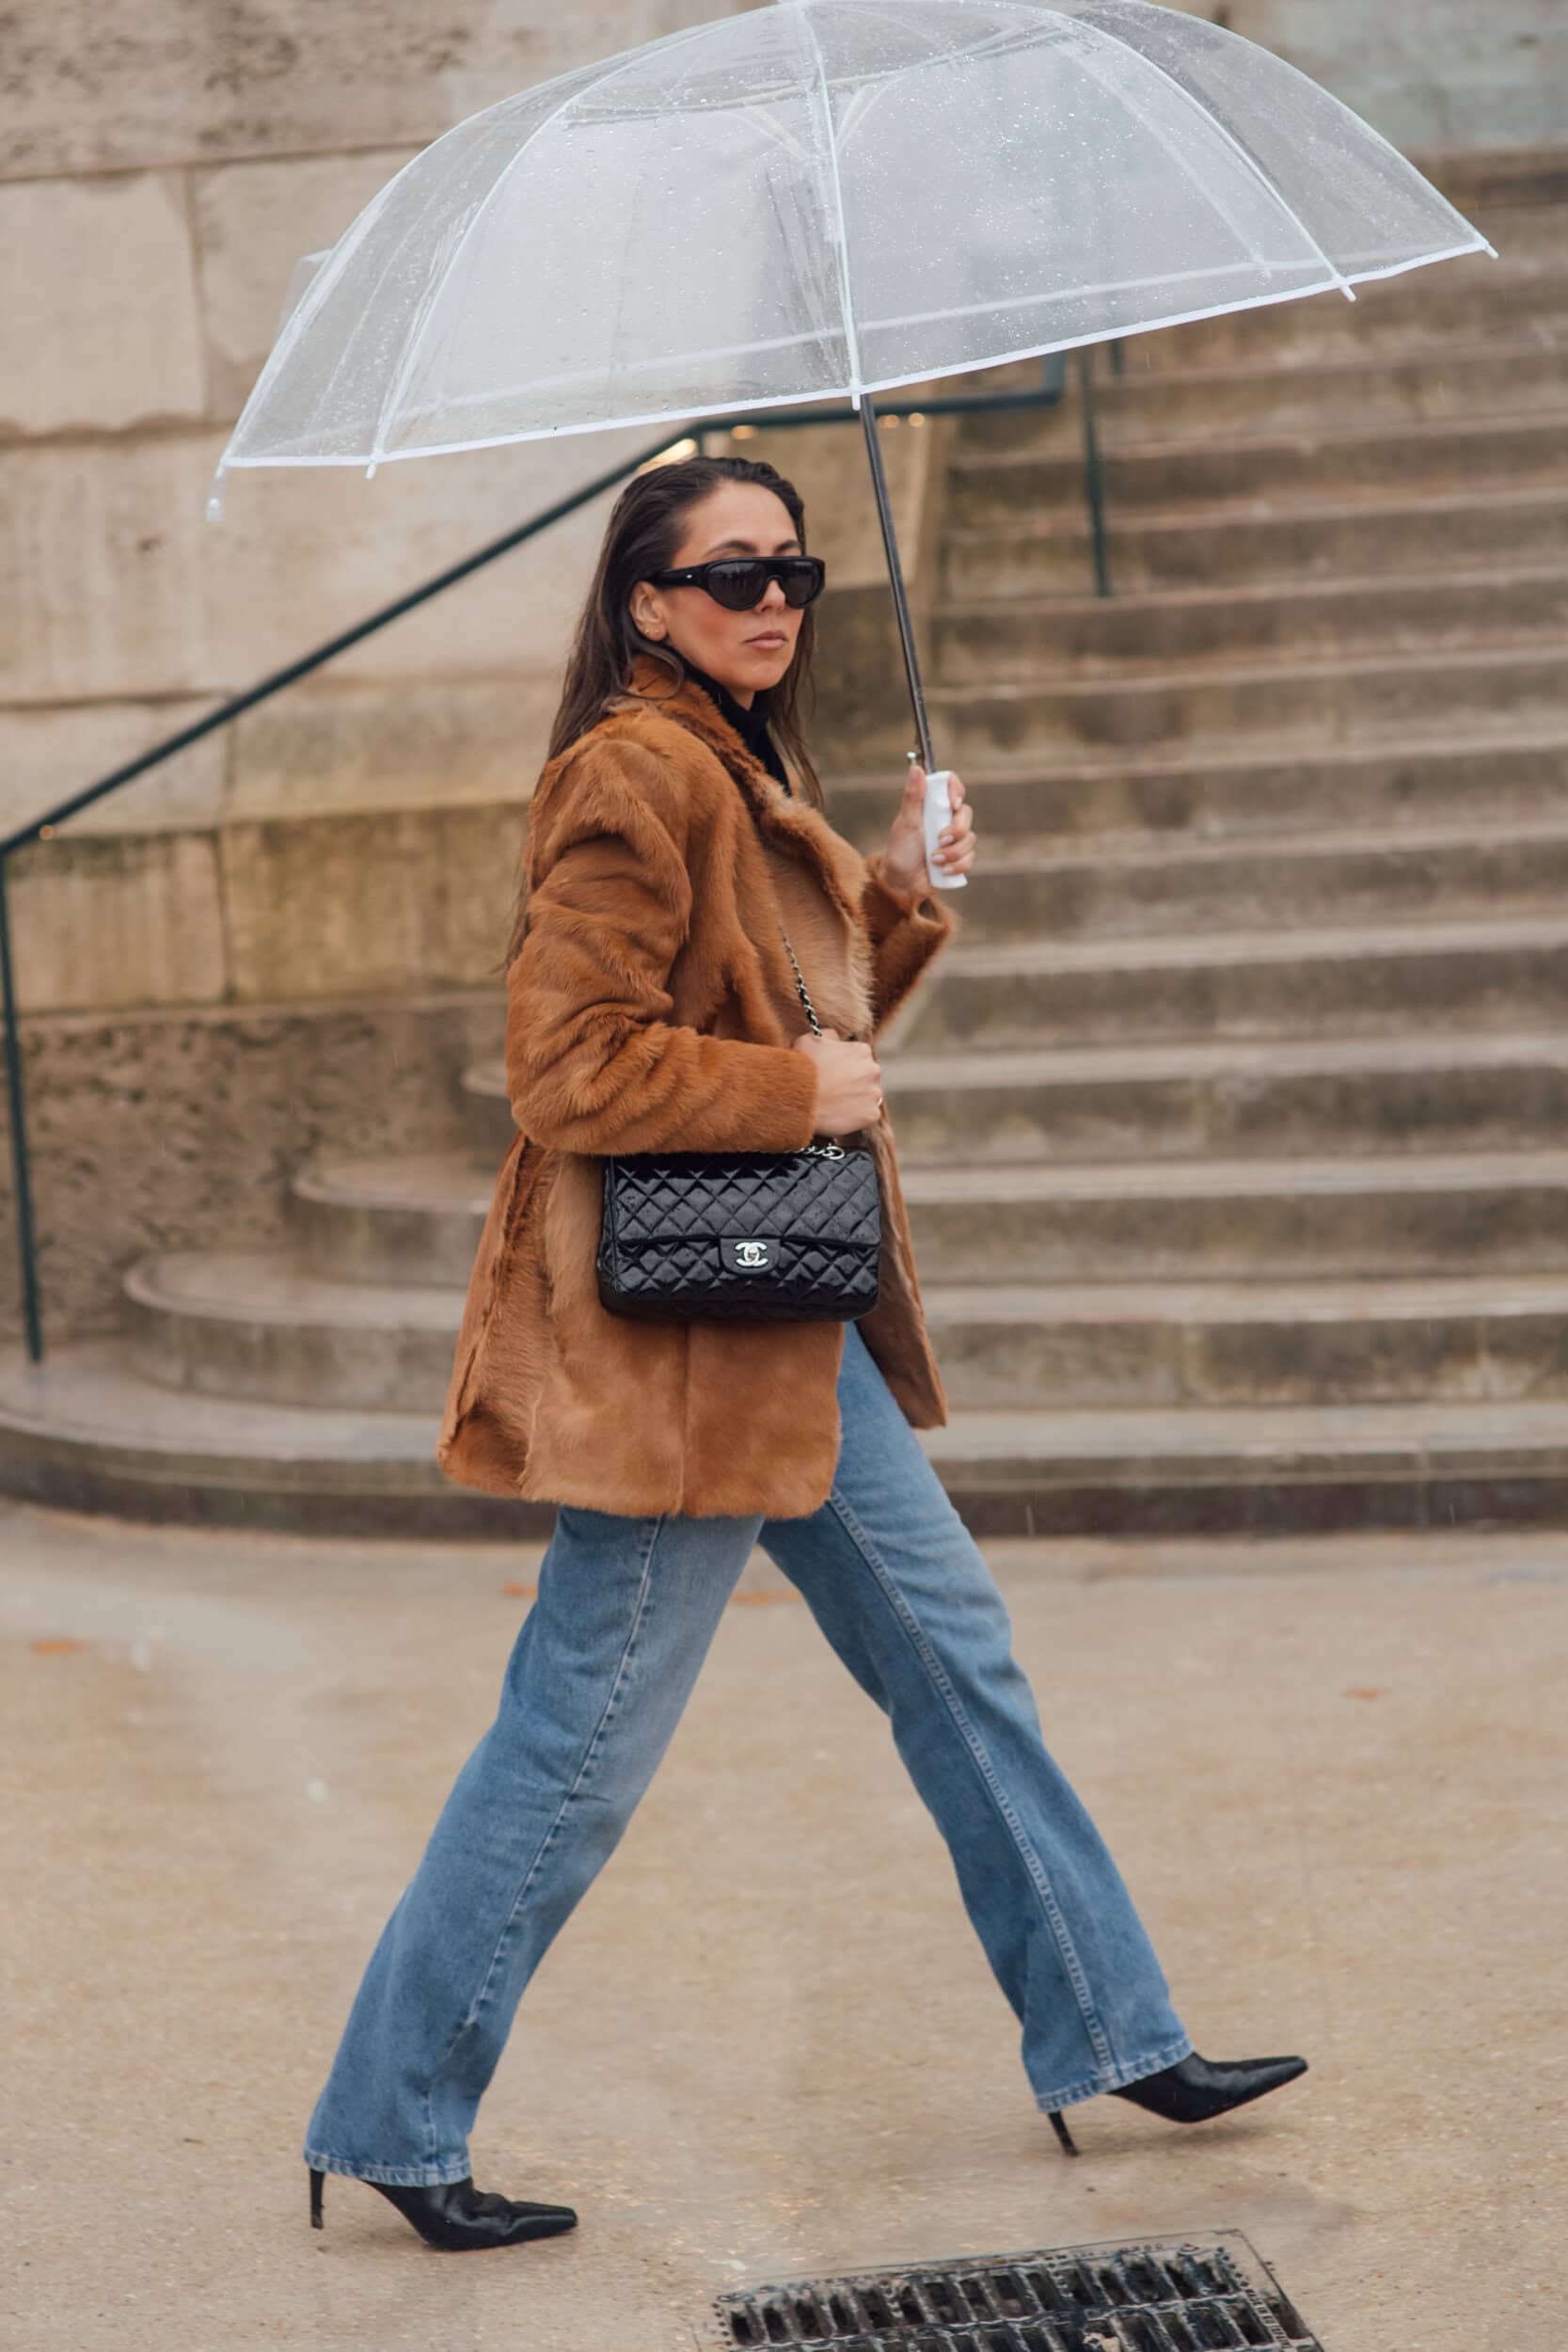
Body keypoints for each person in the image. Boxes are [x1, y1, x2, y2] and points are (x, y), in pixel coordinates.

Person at [301, 453, 1306, 2251]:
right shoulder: (632, 770)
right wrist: (792, 1091)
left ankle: (1112, 2030)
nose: (774, 601)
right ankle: (392, 2118)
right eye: (733, 574)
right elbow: (568, 1065)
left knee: (957, 1659)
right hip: (684, 1363)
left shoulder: (737, 763)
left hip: (782, 1323)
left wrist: (896, 889)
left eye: (794, 571)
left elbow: (805, 1015)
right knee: (578, 1743)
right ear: (648, 602)